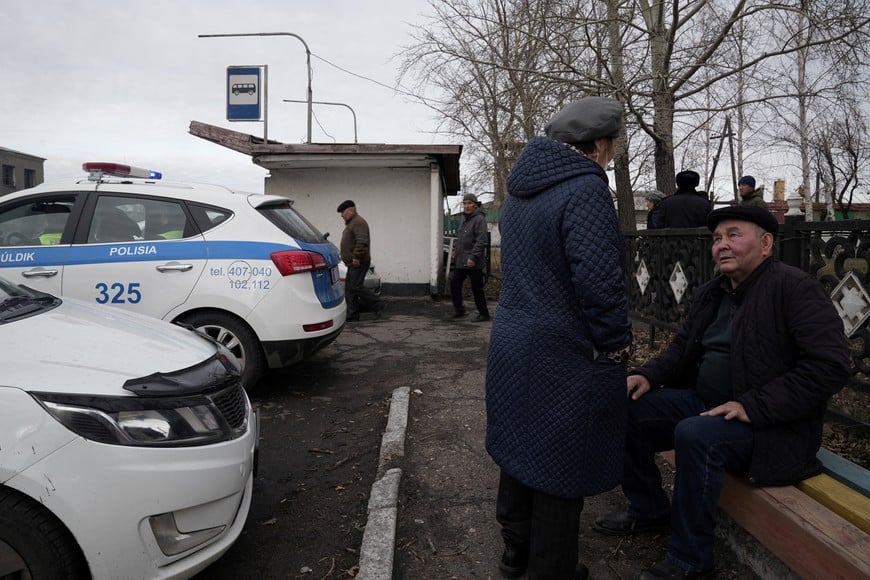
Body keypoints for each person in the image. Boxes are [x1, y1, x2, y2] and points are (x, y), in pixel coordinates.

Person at [593, 205, 850, 580]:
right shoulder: (713, 292)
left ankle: (690, 560)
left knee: (695, 434)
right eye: (716, 239)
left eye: (733, 235)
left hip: (770, 426)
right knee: (624, 404)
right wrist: (647, 374)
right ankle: (648, 508)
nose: (722, 246)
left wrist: (754, 405)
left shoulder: (794, 289)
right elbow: (682, 348)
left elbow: (829, 367)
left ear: (766, 244)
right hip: (706, 404)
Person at [485, 96, 633, 580]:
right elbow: (598, 281)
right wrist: (615, 343)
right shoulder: (584, 190)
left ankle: (516, 554)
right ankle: (551, 571)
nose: (611, 156)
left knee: (519, 446)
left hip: (514, 336)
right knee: (559, 460)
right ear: (599, 145)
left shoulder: (522, 191)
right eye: (612, 146)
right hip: (562, 348)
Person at [337, 200, 384, 322]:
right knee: (350, 289)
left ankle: (377, 304)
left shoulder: (358, 222)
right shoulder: (352, 223)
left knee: (355, 287)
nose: (342, 215)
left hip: (359, 262)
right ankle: (352, 314)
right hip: (352, 263)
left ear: (351, 210)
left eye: (343, 212)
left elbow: (362, 241)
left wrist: (356, 257)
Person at [450, 193, 491, 322]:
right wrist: (455, 250)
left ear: (475, 205)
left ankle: (484, 314)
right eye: (465, 203)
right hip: (461, 260)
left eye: (469, 203)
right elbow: (461, 237)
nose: (466, 206)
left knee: (476, 288)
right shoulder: (463, 218)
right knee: (454, 282)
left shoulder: (479, 220)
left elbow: (481, 241)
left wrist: (472, 257)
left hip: (474, 262)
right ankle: (459, 310)